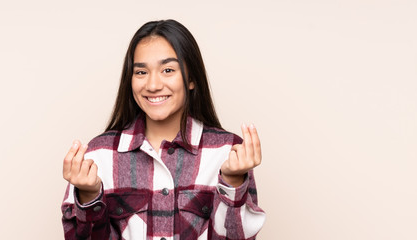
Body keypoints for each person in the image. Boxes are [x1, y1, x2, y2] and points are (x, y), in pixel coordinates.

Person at [61, 19, 265, 240]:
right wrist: (89, 196)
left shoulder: (228, 153)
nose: (153, 85)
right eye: (141, 72)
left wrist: (233, 183)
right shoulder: (98, 155)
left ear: (192, 79)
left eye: (168, 70)